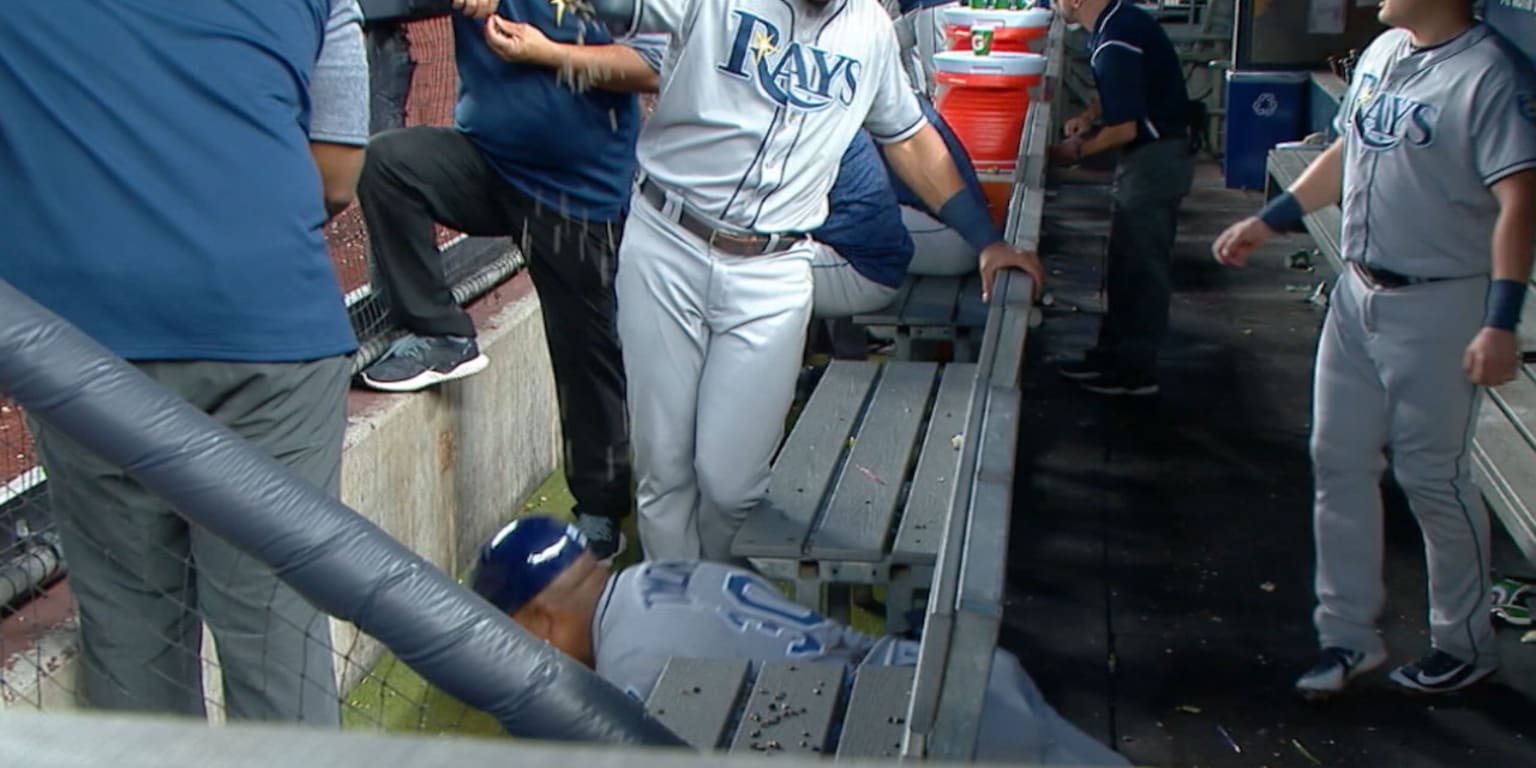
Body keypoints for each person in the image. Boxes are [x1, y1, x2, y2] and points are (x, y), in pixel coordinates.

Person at [0, 0, 371, 723]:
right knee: (278, 643)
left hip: (84, 343)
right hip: (269, 329)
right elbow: (336, 175)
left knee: (134, 639)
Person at [582, 0, 1045, 562]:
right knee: (665, 473)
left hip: (775, 269)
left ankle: (718, 605)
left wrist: (985, 240)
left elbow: (909, 135)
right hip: (668, 243)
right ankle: (674, 624)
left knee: (732, 488)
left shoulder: (869, 30)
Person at [1212, 0, 1536, 698]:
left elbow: (1520, 200)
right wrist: (1268, 223)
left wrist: (1501, 321)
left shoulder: (1490, 74)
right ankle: (1348, 636)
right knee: (1337, 461)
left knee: (1433, 475)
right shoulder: (1385, 51)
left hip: (1441, 299)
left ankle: (1464, 642)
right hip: (1359, 292)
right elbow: (1346, 151)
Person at [354, 2, 668, 561]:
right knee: (390, 164)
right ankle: (441, 333)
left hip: (578, 190)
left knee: (585, 354)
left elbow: (652, 65)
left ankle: (600, 511)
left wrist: (545, 54)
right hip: (487, 160)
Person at [468, 516, 1130, 765]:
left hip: (934, 745)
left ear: (535, 621)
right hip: (960, 686)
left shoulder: (633, 669)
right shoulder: (660, 575)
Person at [1048, 0, 1194, 397]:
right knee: (1124, 261)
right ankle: (1111, 356)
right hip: (1155, 156)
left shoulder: (1114, 39)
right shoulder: (1121, 21)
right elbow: (1125, 90)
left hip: (1156, 158)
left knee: (1142, 266)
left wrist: (1074, 151)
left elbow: (1126, 128)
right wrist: (1091, 115)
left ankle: (1134, 370)